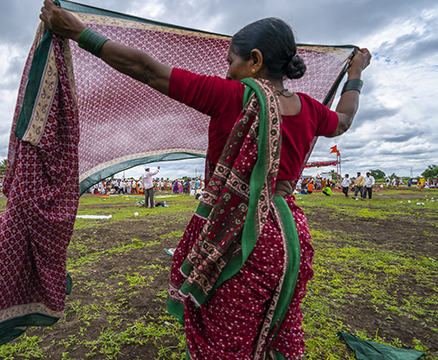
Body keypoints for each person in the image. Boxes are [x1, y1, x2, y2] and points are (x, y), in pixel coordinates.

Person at [41, 3, 371, 359]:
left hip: (243, 238)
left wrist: (78, 32)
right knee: (280, 325)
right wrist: (355, 72)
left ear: (256, 61)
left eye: (232, 62)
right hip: (289, 238)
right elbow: (345, 117)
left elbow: (146, 69)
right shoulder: (310, 109)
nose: (228, 71)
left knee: (226, 339)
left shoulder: (234, 96)